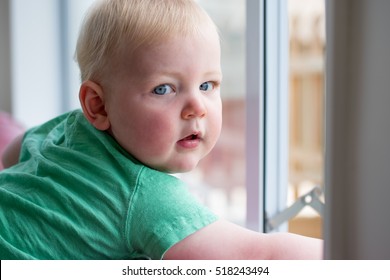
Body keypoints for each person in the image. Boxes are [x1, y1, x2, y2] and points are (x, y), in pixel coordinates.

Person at [0, 0, 323, 260]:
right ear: (98, 105)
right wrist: (351, 256)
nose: (197, 106)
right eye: (164, 89)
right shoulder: (146, 197)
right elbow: (260, 256)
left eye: (207, 84)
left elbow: (13, 152)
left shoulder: (68, 127)